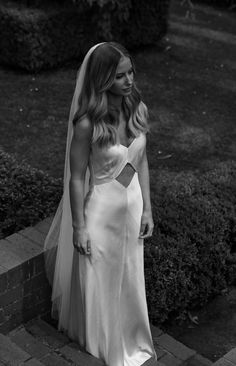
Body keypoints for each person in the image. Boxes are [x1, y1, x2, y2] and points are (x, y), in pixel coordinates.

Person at [44, 42, 157, 366]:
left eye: (130, 72)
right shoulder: (86, 124)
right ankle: (103, 344)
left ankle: (132, 338)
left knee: (131, 276)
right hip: (102, 213)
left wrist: (147, 207)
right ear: (104, 79)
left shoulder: (138, 109)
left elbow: (142, 162)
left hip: (132, 206)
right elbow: (76, 178)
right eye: (120, 75)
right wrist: (79, 227)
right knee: (101, 283)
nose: (129, 80)